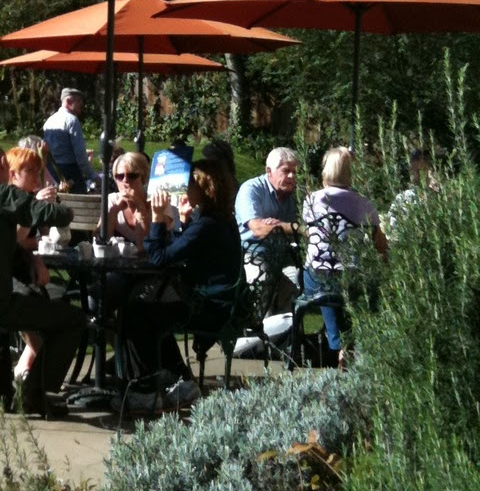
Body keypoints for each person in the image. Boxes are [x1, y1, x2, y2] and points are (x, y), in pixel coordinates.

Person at [0, 142, 86, 413]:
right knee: (73, 320)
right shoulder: (1, 194)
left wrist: (30, 257)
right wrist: (69, 210)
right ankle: (34, 395)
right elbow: (49, 213)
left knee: (5, 303)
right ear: (3, 164)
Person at [121, 158, 243, 408]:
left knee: (135, 313)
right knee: (148, 311)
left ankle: (146, 389)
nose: (185, 189)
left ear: (204, 187)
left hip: (208, 308)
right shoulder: (220, 220)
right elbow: (182, 246)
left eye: (189, 184)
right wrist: (172, 227)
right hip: (221, 303)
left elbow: (158, 258)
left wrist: (156, 219)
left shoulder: (207, 225)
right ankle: (179, 378)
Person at [302, 146, 388, 365]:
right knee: (361, 289)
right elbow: (380, 244)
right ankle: (347, 345)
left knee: (328, 279)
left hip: (315, 278)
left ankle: (337, 344)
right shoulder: (364, 203)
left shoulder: (311, 200)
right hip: (349, 278)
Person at [234, 146, 301, 306]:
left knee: (296, 280)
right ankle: (255, 326)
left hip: (282, 255)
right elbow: (258, 229)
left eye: (295, 171)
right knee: (261, 281)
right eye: (286, 171)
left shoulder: (293, 195)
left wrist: (277, 225)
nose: (292, 176)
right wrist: (291, 227)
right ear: (269, 171)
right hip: (252, 252)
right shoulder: (251, 189)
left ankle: (283, 327)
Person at [42, 88, 97, 193]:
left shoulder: (49, 121)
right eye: (79, 101)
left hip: (52, 171)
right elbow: (80, 155)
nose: (82, 104)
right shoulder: (72, 120)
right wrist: (93, 176)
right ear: (68, 101)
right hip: (70, 172)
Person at [106, 150, 152, 248]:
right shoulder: (112, 200)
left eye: (132, 176)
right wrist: (114, 211)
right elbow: (102, 240)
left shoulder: (155, 203)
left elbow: (148, 244)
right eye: (120, 176)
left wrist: (140, 207)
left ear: (143, 178)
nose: (125, 181)